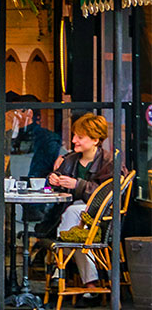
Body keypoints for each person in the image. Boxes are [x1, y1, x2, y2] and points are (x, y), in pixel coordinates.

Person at [44, 113, 115, 295]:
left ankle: (60, 264)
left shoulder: (109, 162)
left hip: (101, 218)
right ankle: (90, 285)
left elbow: (108, 194)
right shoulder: (70, 159)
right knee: (78, 234)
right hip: (76, 223)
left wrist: (78, 185)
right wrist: (52, 179)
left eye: (80, 137)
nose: (74, 140)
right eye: (74, 135)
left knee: (73, 213)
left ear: (95, 139)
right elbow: (50, 185)